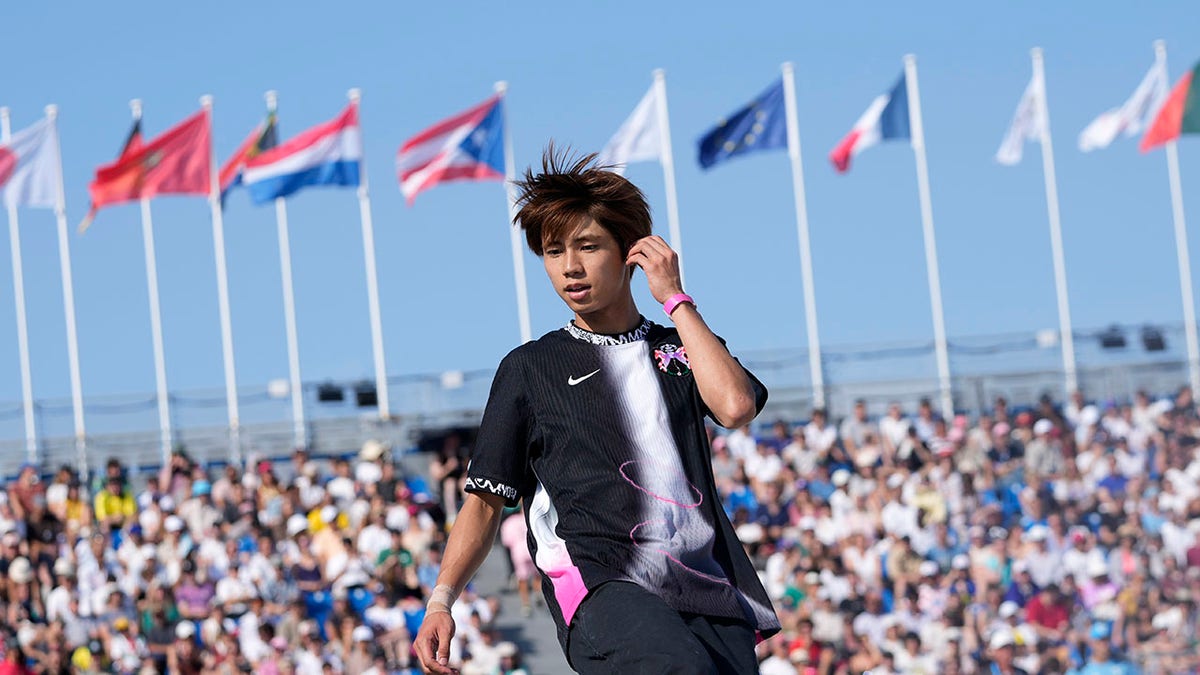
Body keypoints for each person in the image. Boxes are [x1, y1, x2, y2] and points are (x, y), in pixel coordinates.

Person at [414, 148, 780, 674]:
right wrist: (442, 601)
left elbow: (736, 406)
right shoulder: (530, 368)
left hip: (705, 583)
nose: (570, 267)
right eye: (553, 251)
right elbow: (485, 501)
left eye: (587, 246)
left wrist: (675, 299)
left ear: (631, 252)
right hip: (603, 584)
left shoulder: (679, 347)